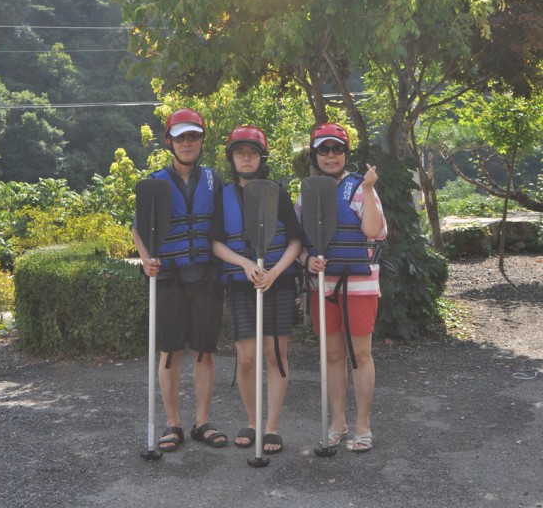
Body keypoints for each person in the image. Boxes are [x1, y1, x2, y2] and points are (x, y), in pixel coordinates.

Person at [132, 108, 228, 453]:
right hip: (168, 275)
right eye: (180, 137)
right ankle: (172, 424)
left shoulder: (214, 180)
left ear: (201, 140)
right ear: (169, 141)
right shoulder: (155, 182)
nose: (187, 143)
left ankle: (202, 422)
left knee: (204, 352)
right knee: (170, 352)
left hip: (206, 274)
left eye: (193, 136)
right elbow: (137, 228)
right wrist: (146, 259)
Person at [211, 125, 302, 455]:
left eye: (252, 153)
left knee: (275, 354)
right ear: (232, 158)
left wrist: (274, 273)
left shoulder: (277, 191)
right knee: (247, 358)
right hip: (241, 284)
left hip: (277, 282)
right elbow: (216, 243)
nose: (246, 158)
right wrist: (244, 264)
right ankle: (252, 421)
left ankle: (271, 427)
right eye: (240, 153)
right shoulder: (222, 195)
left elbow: (295, 240)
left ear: (262, 158)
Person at [297, 122, 387, 454]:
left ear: (346, 154)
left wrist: (368, 188)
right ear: (315, 156)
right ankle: (338, 422)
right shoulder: (307, 192)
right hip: (324, 284)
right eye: (324, 150)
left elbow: (374, 231)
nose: (330, 155)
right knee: (332, 354)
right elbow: (298, 240)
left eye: (337, 149)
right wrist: (307, 259)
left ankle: (363, 424)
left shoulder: (361, 187)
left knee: (359, 355)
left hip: (359, 284)